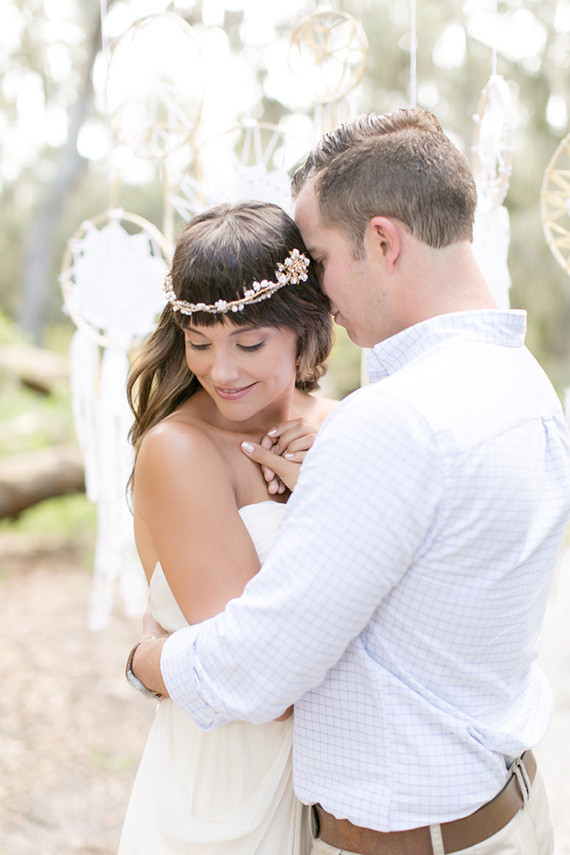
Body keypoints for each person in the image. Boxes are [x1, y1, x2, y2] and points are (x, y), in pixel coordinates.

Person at [131, 108, 570, 855]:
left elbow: (258, 668)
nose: (321, 288)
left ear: (381, 240)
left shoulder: (389, 422)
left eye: (323, 258)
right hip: (506, 809)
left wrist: (145, 661)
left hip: (413, 836)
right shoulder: (524, 388)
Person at [118, 200, 336, 854]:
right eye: (200, 344)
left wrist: (323, 480)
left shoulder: (338, 426)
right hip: (229, 794)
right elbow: (259, 680)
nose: (223, 370)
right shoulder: (179, 450)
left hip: (338, 789)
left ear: (303, 326)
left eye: (249, 342)